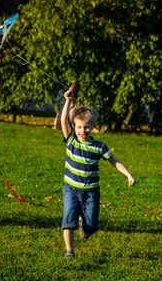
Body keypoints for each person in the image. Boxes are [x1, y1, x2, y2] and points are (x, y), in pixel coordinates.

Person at [57, 86, 135, 258]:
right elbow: (63, 122)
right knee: (68, 221)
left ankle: (85, 228)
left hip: (91, 191)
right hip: (71, 189)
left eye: (86, 127)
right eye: (79, 127)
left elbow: (113, 160)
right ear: (74, 127)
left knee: (91, 225)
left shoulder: (98, 146)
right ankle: (69, 251)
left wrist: (128, 174)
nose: (82, 131)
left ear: (93, 127)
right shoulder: (71, 140)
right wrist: (68, 101)